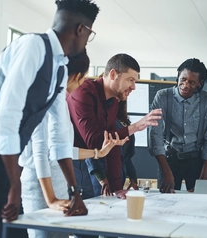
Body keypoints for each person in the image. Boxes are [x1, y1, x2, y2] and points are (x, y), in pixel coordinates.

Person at [0, 1, 100, 237]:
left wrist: (74, 192)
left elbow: (59, 136)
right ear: (81, 29)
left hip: (5, 160)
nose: (87, 40)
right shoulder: (33, 46)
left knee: (11, 234)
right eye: (90, 33)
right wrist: (15, 183)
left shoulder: (60, 69)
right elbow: (5, 119)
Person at [18, 51, 128, 238]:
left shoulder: (60, 101)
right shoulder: (43, 101)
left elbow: (61, 150)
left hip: (59, 183)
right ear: (75, 76)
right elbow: (41, 153)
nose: (84, 83)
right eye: (84, 77)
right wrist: (50, 198)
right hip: (40, 187)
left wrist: (97, 153)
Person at [67, 53, 162, 199]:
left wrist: (117, 188)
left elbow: (113, 148)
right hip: (67, 164)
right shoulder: (83, 93)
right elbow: (94, 141)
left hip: (82, 165)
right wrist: (134, 127)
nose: (134, 87)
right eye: (130, 80)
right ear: (113, 74)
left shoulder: (113, 103)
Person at [148, 58, 207, 193]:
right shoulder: (162, 97)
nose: (185, 85)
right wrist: (167, 174)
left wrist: (203, 179)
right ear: (178, 76)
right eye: (183, 79)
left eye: (192, 82)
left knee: (198, 203)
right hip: (169, 159)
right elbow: (155, 136)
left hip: (196, 160)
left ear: (200, 83)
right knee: (165, 202)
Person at [116, 100, 138, 190]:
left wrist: (133, 178)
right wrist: (102, 180)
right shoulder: (104, 121)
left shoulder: (124, 122)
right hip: (105, 177)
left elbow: (126, 158)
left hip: (120, 177)